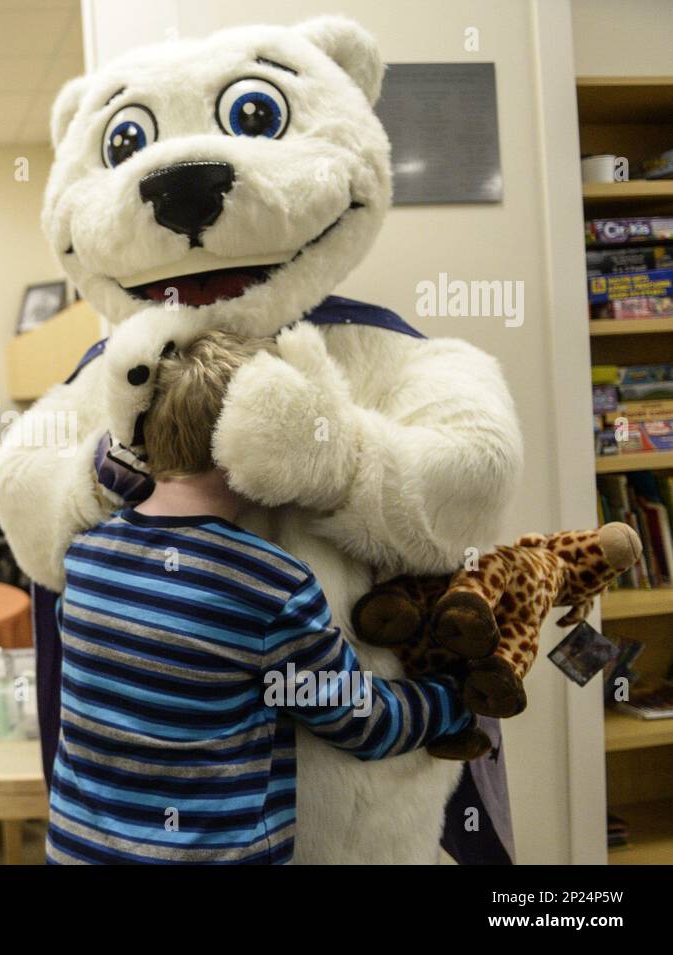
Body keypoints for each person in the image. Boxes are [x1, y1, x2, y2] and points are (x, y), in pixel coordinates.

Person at [46, 331, 475, 864]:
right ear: (255, 437)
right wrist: (454, 700)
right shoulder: (269, 584)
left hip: (76, 849)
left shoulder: (84, 557)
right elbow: (362, 722)